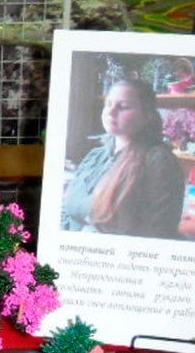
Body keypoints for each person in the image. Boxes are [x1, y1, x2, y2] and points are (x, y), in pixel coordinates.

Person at [61, 78, 186, 239]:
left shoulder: (158, 161)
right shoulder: (94, 156)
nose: (111, 112)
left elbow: (158, 232)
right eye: (108, 104)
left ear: (147, 116)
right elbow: (66, 210)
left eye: (123, 106)